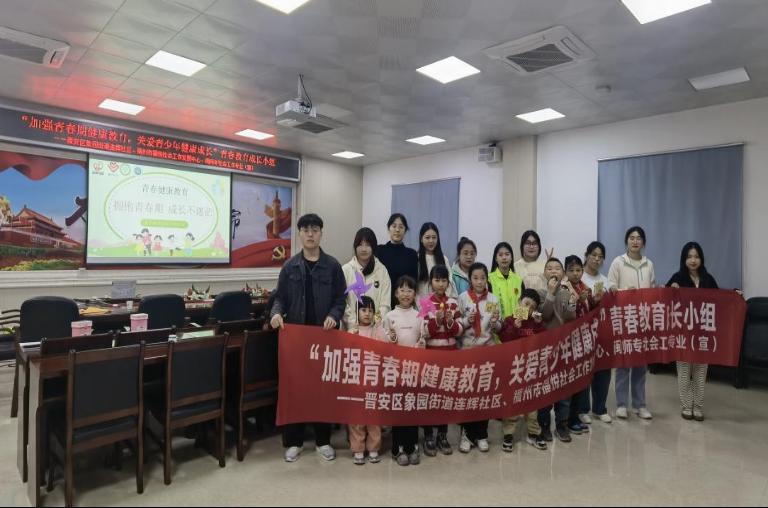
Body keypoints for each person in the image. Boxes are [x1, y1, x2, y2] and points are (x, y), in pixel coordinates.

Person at [270, 213, 347, 463]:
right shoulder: (289, 266)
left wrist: (334, 315)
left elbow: (340, 299)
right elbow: (279, 298)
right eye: (305, 230)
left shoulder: (333, 266)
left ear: (321, 233)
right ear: (300, 234)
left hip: (324, 339)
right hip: (297, 341)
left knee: (322, 390)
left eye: (315, 229)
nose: (310, 234)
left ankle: (323, 441)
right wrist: (276, 314)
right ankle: (294, 442)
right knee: (296, 390)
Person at [608, 226, 656, 421]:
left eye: (639, 238)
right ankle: (621, 404)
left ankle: (640, 405)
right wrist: (621, 292)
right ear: (626, 241)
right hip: (624, 319)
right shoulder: (618, 262)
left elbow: (653, 289)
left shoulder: (648, 264)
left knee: (640, 365)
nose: (635, 241)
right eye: (631, 238)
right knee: (623, 364)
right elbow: (611, 286)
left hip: (643, 320)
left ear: (643, 242)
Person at [666, 242, 719, 422]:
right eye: (689, 257)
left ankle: (698, 406)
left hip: (703, 334)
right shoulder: (677, 277)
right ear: (684, 259)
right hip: (683, 333)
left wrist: (735, 294)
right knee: (683, 371)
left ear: (701, 259)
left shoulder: (708, 279)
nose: (693, 260)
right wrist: (671, 289)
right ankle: (687, 405)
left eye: (696, 256)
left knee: (700, 371)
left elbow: (720, 299)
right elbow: (664, 299)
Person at [457, 262, 501, 453]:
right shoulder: (462, 298)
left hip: (487, 351)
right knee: (468, 395)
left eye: (483, 278)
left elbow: (499, 326)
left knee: (484, 395)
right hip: (467, 351)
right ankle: (466, 435)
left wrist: (495, 323)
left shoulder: (493, 299)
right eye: (475, 278)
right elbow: (456, 327)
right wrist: (466, 321)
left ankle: (482, 434)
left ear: (487, 279)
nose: (479, 281)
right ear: (470, 279)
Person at [498, 288, 548, 452]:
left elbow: (545, 341)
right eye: (526, 304)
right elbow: (504, 339)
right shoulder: (509, 320)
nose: (528, 308)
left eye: (532, 307)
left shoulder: (535, 324)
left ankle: (533, 433)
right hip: (513, 370)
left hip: (530, 369)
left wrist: (539, 325)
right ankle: (508, 434)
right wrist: (514, 327)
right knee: (511, 403)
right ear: (519, 302)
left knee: (531, 405)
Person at [383, 276, 426, 466]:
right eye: (402, 290)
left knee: (412, 409)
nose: (406, 294)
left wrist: (422, 344)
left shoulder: (419, 315)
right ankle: (398, 448)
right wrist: (391, 339)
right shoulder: (389, 316)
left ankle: (412, 446)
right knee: (398, 409)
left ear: (415, 294)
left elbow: (422, 340)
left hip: (414, 370)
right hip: (396, 371)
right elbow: (384, 343)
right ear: (395, 293)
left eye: (410, 290)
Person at [422, 265, 463, 457]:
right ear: (431, 282)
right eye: (436, 280)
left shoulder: (453, 303)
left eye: (443, 280)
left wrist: (450, 322)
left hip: (449, 356)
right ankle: (428, 436)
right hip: (431, 357)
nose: (440, 284)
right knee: (430, 397)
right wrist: (436, 321)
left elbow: (460, 330)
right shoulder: (425, 303)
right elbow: (423, 332)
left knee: (445, 397)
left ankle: (442, 435)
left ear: (448, 283)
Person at [536, 257, 578, 443]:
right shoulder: (540, 293)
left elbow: (570, 317)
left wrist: (572, 302)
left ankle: (562, 424)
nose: (553, 271)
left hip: (564, 346)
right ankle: (544, 425)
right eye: (549, 268)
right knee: (545, 388)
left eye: (557, 268)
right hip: (545, 348)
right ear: (544, 273)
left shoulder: (567, 292)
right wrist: (551, 294)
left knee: (563, 389)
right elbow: (544, 315)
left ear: (563, 273)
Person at [562, 255, 604, 434]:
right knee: (569, 383)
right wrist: (578, 300)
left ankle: (575, 417)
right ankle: (565, 421)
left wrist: (596, 300)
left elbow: (591, 310)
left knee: (580, 380)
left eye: (578, 270)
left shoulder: (585, 287)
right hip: (568, 342)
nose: (575, 273)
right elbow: (566, 313)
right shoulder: (564, 288)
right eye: (571, 270)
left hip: (584, 340)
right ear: (565, 271)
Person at [348, 296, 387, 465]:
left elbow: (385, 346)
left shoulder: (377, 330)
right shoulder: (352, 331)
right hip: (356, 381)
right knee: (357, 417)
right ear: (357, 312)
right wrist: (352, 337)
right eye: (363, 310)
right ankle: (358, 448)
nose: (367, 314)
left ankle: (373, 447)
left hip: (373, 380)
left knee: (373, 416)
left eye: (371, 310)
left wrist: (380, 327)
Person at [581, 241, 613, 424]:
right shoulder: (579, 277)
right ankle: (583, 409)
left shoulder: (605, 280)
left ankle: (600, 408)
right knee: (584, 370)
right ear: (586, 255)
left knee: (603, 369)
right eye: (593, 255)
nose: (596, 259)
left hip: (602, 332)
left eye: (600, 257)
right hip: (583, 333)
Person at [342, 227, 392, 332]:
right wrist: (353, 324)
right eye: (360, 245)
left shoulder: (382, 271)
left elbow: (385, 304)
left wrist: (375, 324)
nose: (364, 249)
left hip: (375, 332)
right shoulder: (346, 270)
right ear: (355, 247)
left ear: (373, 247)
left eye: (368, 245)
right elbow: (342, 302)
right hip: (351, 331)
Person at [376, 213, 418, 309]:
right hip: (381, 302)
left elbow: (413, 282)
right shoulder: (379, 251)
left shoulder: (412, 254)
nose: (397, 230)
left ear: (405, 230)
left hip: (404, 303)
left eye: (401, 227)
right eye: (394, 226)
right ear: (389, 228)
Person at [416, 222, 457, 299]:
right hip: (422, 303)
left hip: (441, 303)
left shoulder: (444, 259)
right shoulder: (416, 258)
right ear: (421, 239)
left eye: (434, 237)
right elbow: (414, 286)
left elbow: (449, 281)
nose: (431, 241)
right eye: (427, 237)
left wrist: (443, 301)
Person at [488, 242, 524, 321]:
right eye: (500, 255)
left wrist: (519, 323)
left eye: (507, 254)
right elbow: (488, 304)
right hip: (496, 325)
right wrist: (493, 321)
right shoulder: (489, 279)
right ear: (496, 259)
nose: (504, 257)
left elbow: (522, 303)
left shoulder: (519, 280)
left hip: (516, 325)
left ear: (511, 258)